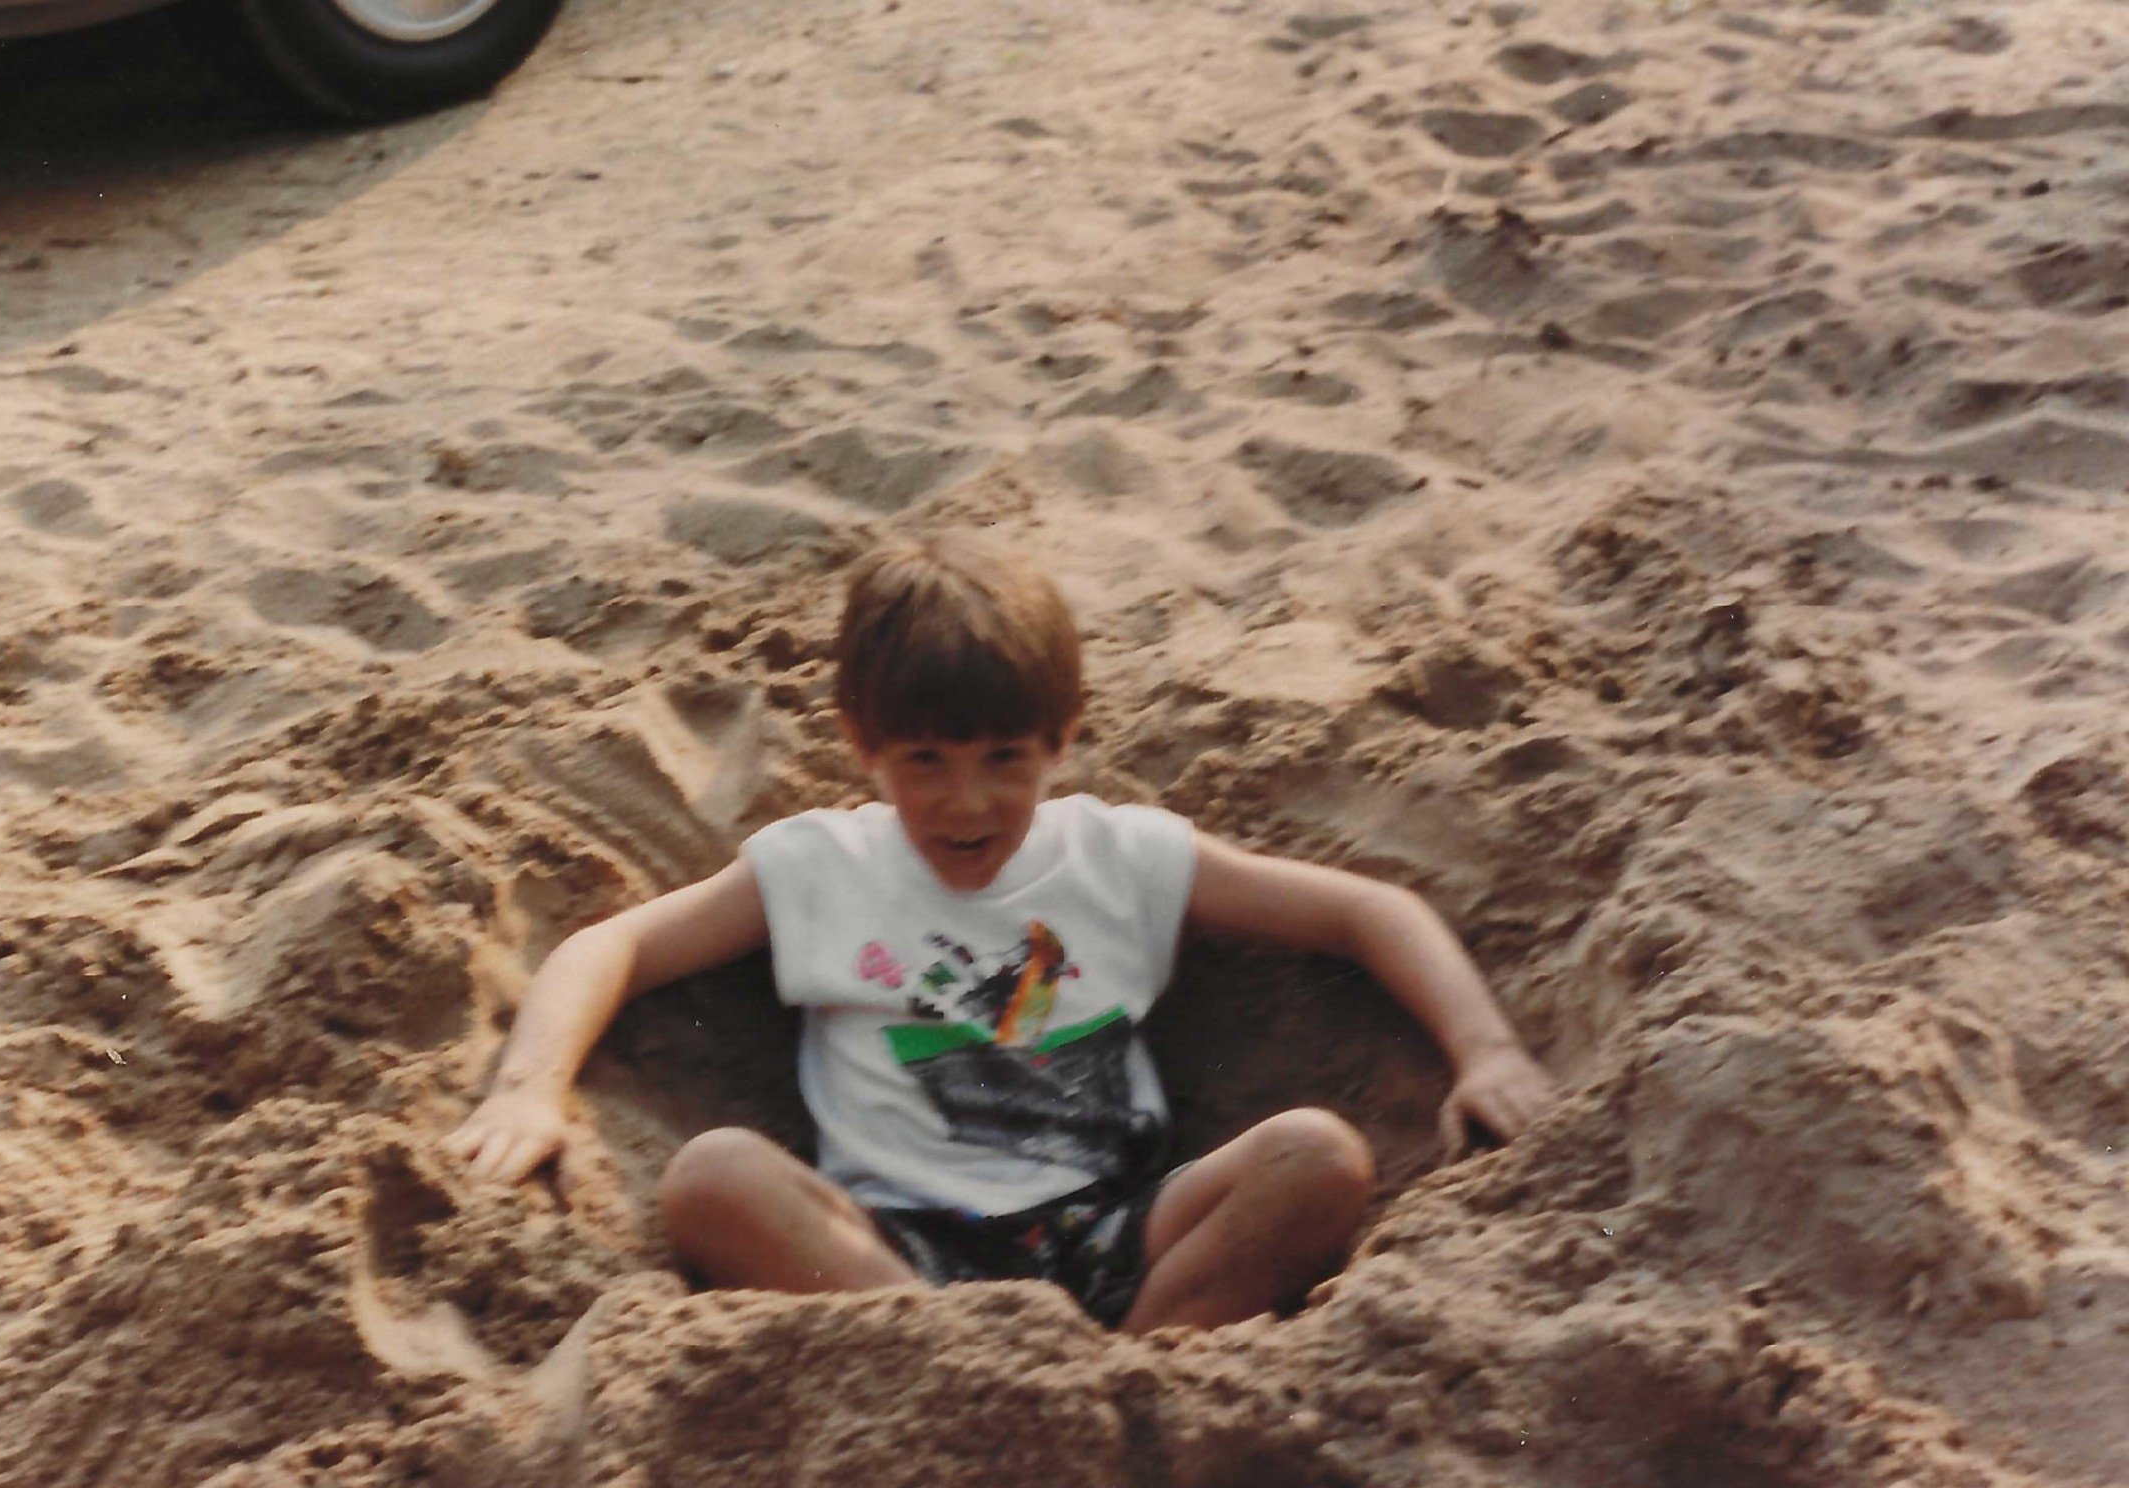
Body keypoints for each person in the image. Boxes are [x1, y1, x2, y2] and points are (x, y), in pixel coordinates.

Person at [448, 535, 1556, 1333]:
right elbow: (612, 945)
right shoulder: (818, 863)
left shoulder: (1120, 853)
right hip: (895, 1248)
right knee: (710, 1175)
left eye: (1003, 760)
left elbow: (1365, 908)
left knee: (1317, 1155)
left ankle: (1141, 1363)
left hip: (1117, 1225)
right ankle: (954, 1357)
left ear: (1062, 740)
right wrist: (530, 1088)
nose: (966, 801)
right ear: (862, 744)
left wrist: (1486, 1049)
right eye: (925, 759)